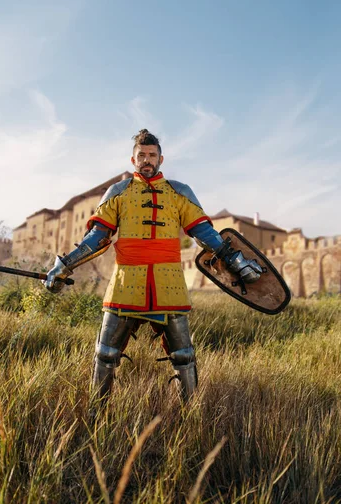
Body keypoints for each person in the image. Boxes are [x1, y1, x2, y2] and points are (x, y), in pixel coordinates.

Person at [44, 129, 262, 402]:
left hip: (168, 281)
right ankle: (97, 415)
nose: (147, 160)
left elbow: (204, 233)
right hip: (126, 282)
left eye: (152, 155)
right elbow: (98, 237)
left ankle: (189, 416)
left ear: (161, 158)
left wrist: (237, 261)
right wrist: (63, 266)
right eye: (141, 156)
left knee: (184, 356)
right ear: (132, 159)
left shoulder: (179, 192)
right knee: (105, 353)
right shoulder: (118, 192)